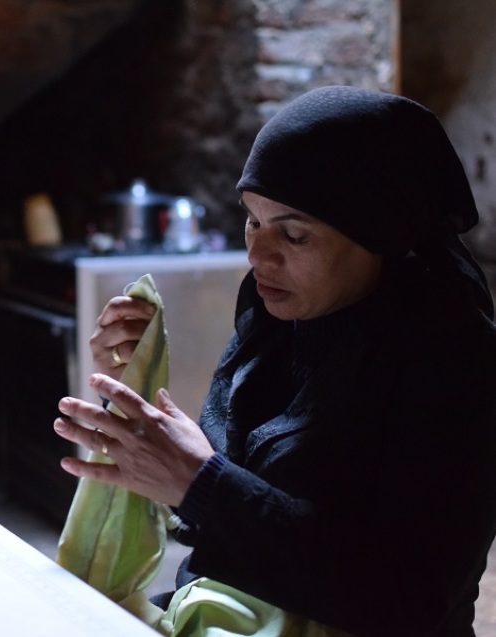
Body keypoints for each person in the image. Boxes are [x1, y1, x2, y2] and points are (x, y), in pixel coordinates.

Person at [52, 85, 496, 636]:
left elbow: (409, 599)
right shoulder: (276, 327)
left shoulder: (454, 360)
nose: (258, 255)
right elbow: (239, 508)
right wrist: (135, 400)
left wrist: (201, 483)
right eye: (253, 222)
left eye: (293, 233)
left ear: (380, 233)